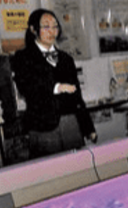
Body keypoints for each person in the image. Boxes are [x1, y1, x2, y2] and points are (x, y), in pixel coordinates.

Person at [12, 8, 97, 159]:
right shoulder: (22, 57)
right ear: (33, 29)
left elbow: (77, 96)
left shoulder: (66, 59)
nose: (52, 31)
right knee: (52, 169)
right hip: (43, 126)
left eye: (55, 26)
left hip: (71, 123)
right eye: (46, 26)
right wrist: (57, 87)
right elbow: (27, 88)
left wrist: (88, 127)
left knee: (78, 165)